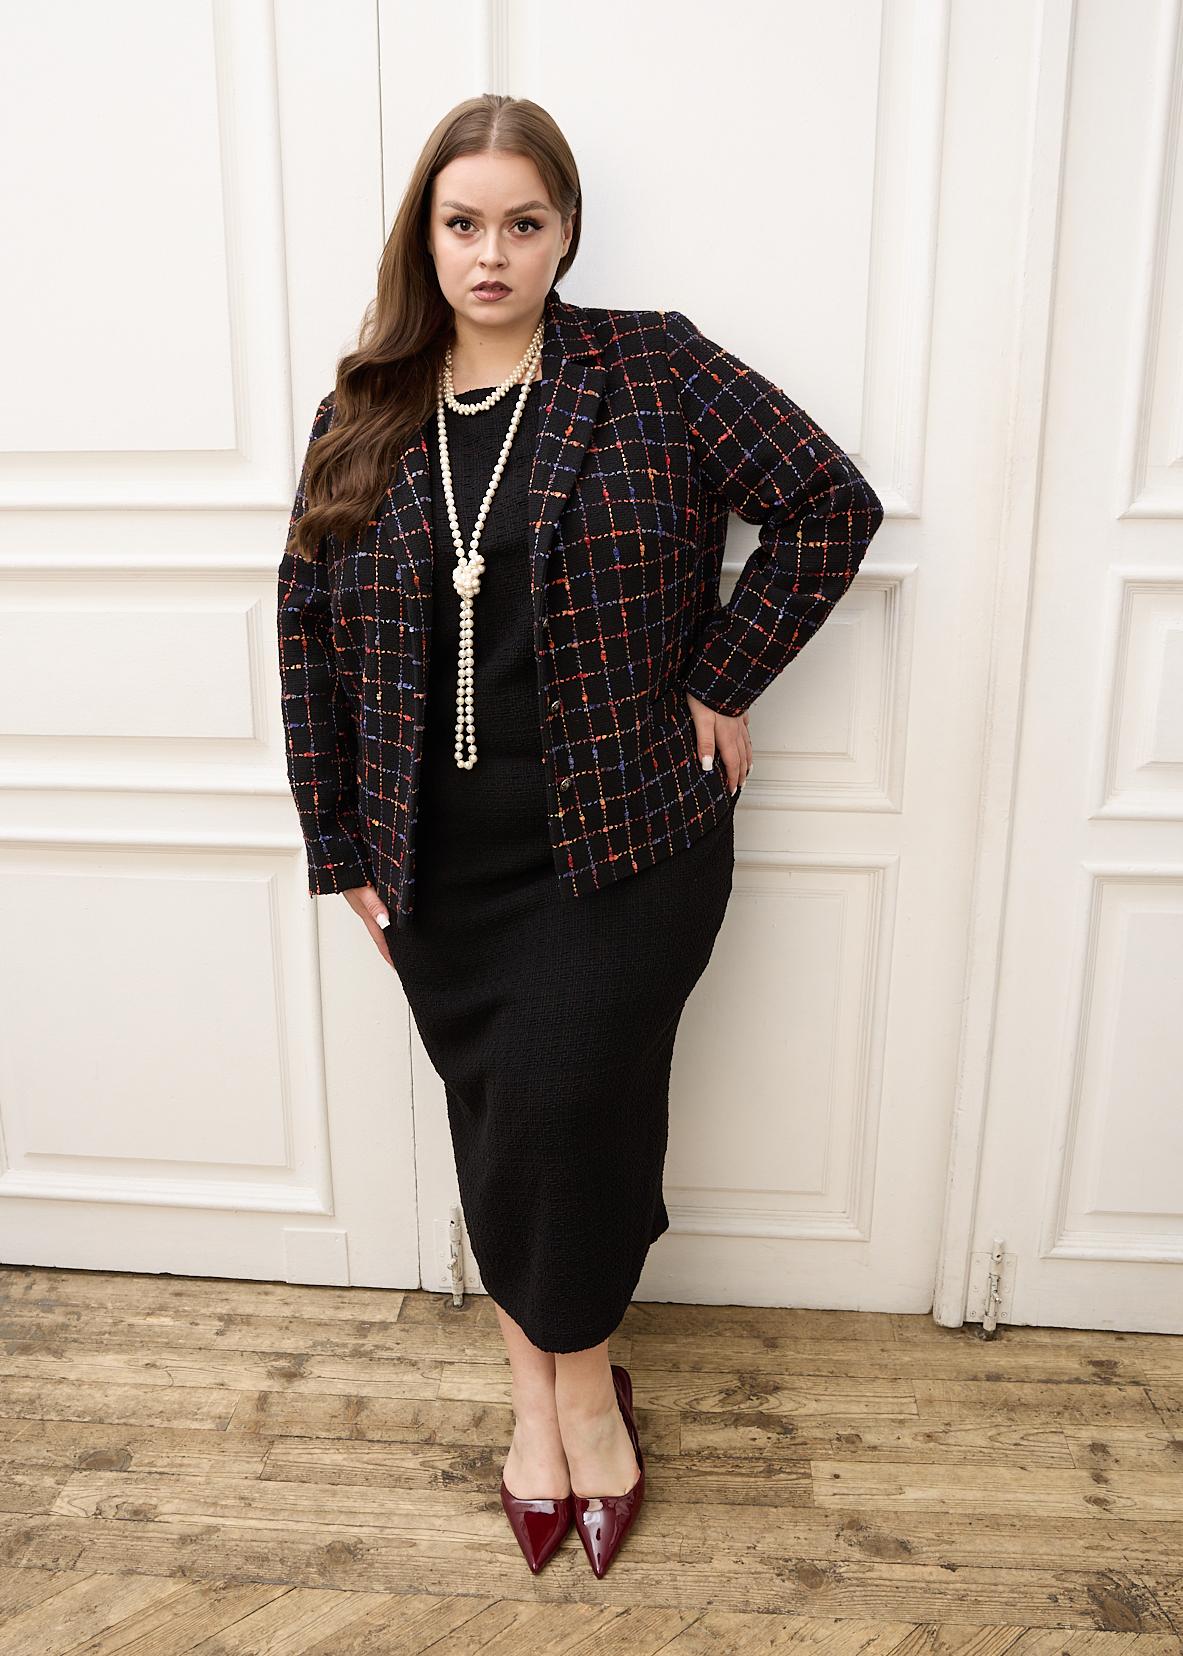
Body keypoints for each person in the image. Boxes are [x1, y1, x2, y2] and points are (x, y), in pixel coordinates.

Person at [277, 94, 885, 1578]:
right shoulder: (365, 406)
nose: (491, 254)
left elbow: (828, 504)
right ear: (426, 237)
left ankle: (589, 1397)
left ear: (565, 235)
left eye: (523, 224)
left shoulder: (650, 367)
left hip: (624, 843)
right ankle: (536, 1404)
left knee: (574, 1109)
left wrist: (724, 676)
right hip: (433, 864)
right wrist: (340, 847)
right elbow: (306, 631)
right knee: (501, 1122)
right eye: (462, 223)